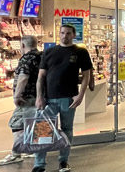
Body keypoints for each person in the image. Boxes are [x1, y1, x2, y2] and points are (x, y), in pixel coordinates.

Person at [34, 25, 93, 172]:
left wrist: (80, 95)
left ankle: (63, 161)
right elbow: (41, 76)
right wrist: (39, 97)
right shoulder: (49, 52)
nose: (64, 36)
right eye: (62, 33)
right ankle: (39, 164)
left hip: (69, 98)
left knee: (67, 130)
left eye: (67, 33)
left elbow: (86, 75)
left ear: (73, 35)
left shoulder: (80, 52)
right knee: (43, 130)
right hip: (49, 98)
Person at [0, 36, 41, 166]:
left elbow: (23, 77)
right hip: (38, 97)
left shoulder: (27, 58)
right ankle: (30, 149)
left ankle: (17, 153)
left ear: (22, 46)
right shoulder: (41, 57)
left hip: (26, 98)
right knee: (32, 123)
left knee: (16, 123)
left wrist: (17, 95)